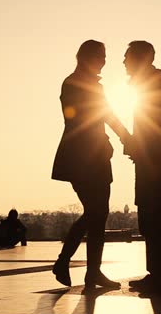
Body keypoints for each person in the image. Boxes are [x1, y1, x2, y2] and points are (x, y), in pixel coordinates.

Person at [51, 40, 126, 289]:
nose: (104, 60)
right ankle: (80, 267)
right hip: (85, 156)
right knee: (96, 213)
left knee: (96, 214)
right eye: (101, 56)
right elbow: (101, 115)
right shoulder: (77, 83)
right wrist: (126, 138)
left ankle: (82, 268)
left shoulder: (82, 83)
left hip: (90, 155)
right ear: (87, 57)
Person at [122, 41, 161, 294]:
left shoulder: (155, 89)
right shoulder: (154, 87)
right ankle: (158, 274)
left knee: (155, 222)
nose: (124, 62)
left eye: (127, 57)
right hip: (154, 165)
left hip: (156, 168)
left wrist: (147, 151)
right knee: (151, 222)